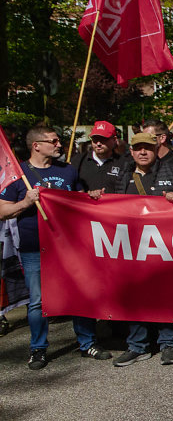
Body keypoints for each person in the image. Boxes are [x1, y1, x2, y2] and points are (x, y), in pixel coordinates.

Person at [99, 131, 173, 367]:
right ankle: (137, 346)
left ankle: (169, 343)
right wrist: (94, 198)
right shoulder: (122, 175)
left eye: (148, 148)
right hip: (132, 250)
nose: (143, 152)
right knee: (135, 298)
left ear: (156, 150)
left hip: (165, 249)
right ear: (132, 152)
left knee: (165, 296)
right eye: (138, 148)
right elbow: (107, 205)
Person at [0, 126, 110, 370]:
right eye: (53, 141)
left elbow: (80, 202)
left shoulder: (68, 171)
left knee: (80, 292)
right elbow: (2, 210)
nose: (59, 145)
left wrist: (90, 196)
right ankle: (38, 349)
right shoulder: (19, 174)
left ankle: (87, 342)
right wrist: (25, 202)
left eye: (58, 141)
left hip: (70, 245)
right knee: (38, 301)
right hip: (34, 247)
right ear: (36, 145)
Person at [69, 120, 122, 192]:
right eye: (95, 139)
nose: (98, 143)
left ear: (114, 140)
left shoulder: (123, 163)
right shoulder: (78, 161)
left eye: (103, 139)